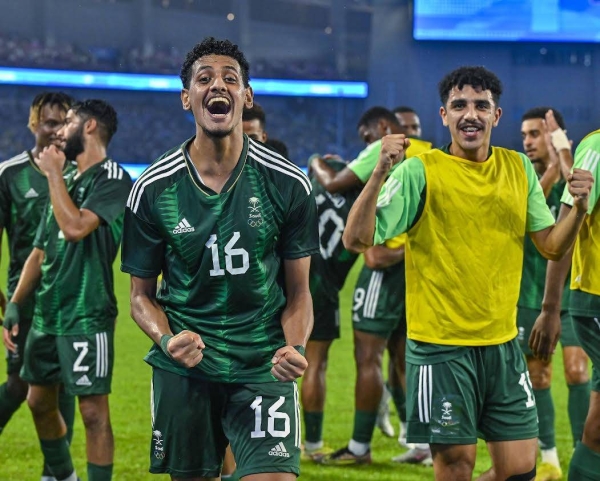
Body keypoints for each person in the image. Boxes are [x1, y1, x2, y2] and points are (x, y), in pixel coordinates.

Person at [342, 65, 593, 480]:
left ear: (496, 116)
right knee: (456, 467)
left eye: (481, 105)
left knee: (519, 469)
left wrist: (580, 210)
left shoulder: (517, 169)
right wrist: (381, 171)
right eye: (459, 105)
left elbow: (551, 244)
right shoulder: (419, 171)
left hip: (502, 345)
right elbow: (357, 239)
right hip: (441, 348)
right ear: (444, 115)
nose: (470, 114)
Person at [120, 37, 319, 480]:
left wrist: (296, 346)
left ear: (246, 97)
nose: (218, 86)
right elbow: (140, 297)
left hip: (263, 363)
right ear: (186, 97)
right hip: (188, 367)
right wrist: (166, 339)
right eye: (204, 78)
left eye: (231, 79)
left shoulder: (288, 184)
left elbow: (300, 292)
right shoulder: (153, 188)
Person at [3, 99, 132, 481]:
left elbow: (76, 228)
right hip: (46, 313)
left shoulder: (112, 178)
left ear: (90, 126)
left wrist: (54, 175)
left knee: (93, 412)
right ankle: (63, 475)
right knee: (38, 400)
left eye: (69, 122)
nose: (60, 130)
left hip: (86, 312)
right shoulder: (69, 176)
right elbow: (40, 252)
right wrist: (14, 304)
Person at [311, 107, 432, 465]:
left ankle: (359, 448)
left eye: (367, 137)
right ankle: (422, 443)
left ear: (381, 128)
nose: (366, 144)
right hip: (417, 274)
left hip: (384, 266)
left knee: (367, 357)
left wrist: (317, 161)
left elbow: (334, 184)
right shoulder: (433, 155)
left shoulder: (386, 148)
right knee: (402, 358)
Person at [0, 91, 76, 481]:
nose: (58, 131)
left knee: (66, 388)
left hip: (72, 300)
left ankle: (56, 473)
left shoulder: (80, 171)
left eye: (65, 122)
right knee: (18, 386)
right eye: (50, 122)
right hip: (25, 300)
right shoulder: (10, 174)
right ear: (33, 125)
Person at [518, 106, 590, 481]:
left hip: (572, 293)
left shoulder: (576, 171)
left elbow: (578, 196)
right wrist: (558, 158)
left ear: (553, 135)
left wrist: (564, 154)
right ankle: (548, 459)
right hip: (530, 292)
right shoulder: (522, 175)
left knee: (578, 371)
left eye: (535, 133)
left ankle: (584, 452)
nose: (528, 141)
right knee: (539, 376)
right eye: (525, 135)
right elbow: (529, 206)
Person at [530, 128, 600, 480]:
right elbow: (563, 233)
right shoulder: (597, 146)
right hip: (593, 299)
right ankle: (550, 455)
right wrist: (550, 308)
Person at [301, 154, 361, 460]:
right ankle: (311, 445)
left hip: (291, 274)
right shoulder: (363, 199)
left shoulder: (315, 185)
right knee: (315, 364)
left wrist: (314, 161)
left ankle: (263, 438)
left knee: (269, 361)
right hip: (323, 286)